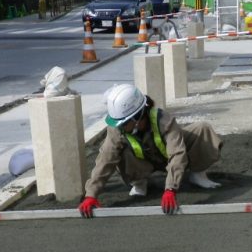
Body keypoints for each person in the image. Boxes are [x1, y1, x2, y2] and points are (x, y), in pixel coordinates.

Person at [78, 84, 222, 218]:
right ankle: (140, 183)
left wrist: (170, 189)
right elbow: (105, 160)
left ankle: (198, 175)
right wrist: (91, 194)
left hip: (168, 156)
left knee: (202, 129)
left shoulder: (163, 120)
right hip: (144, 162)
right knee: (118, 153)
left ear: (137, 117)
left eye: (123, 123)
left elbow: (177, 154)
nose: (120, 127)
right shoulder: (117, 130)